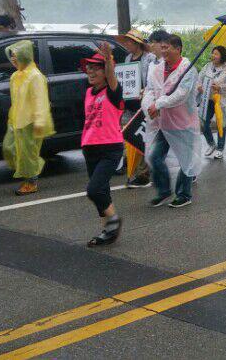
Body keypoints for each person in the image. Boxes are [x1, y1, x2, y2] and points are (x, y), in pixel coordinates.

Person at [143, 34, 203, 208]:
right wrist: (149, 105)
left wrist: (158, 104)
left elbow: (181, 95)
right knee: (155, 157)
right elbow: (149, 90)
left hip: (184, 122)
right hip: (164, 123)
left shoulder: (188, 70)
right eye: (161, 48)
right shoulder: (156, 69)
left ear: (178, 49)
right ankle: (163, 191)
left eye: (166, 48)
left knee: (187, 160)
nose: (163, 51)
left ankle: (184, 194)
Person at [78, 43, 125, 246]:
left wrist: (107, 61)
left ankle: (114, 222)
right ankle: (107, 231)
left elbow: (112, 79)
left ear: (106, 71)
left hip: (110, 147)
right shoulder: (89, 92)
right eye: (89, 67)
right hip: (90, 147)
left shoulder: (113, 91)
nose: (91, 70)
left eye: (96, 67)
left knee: (94, 190)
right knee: (102, 191)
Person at [4, 40, 55, 195]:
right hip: (16, 120)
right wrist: (11, 118)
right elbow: (15, 99)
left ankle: (31, 182)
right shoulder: (15, 76)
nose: (13, 59)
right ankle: (27, 173)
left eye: (16, 56)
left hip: (30, 122)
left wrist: (40, 120)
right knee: (9, 148)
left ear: (24, 55)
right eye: (11, 56)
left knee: (28, 154)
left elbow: (40, 100)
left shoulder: (35, 76)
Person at [117, 29, 156, 188]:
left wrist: (145, 91)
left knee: (141, 138)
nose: (127, 44)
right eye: (126, 41)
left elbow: (154, 79)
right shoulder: (127, 58)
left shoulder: (150, 58)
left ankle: (144, 173)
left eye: (129, 41)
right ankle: (136, 171)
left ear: (137, 43)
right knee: (129, 136)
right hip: (129, 105)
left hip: (143, 103)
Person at [197, 46, 226, 159]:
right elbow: (199, 78)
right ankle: (211, 144)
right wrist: (199, 86)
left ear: (222, 56)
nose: (213, 56)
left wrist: (220, 88)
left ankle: (220, 148)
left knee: (221, 124)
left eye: (216, 54)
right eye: (212, 53)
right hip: (207, 100)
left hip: (220, 101)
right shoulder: (207, 66)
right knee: (203, 122)